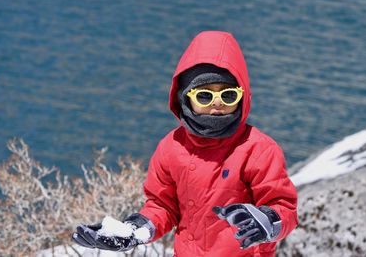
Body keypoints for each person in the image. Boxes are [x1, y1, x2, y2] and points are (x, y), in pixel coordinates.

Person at [72, 31, 298, 256]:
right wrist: (134, 230)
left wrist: (267, 221)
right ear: (186, 97)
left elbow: (284, 208)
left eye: (228, 95)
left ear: (243, 96)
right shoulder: (172, 147)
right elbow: (163, 206)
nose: (217, 104)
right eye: (204, 96)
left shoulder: (258, 149)